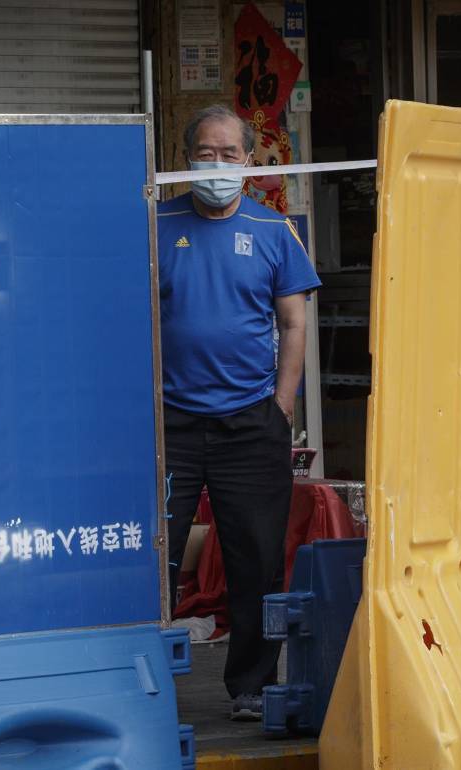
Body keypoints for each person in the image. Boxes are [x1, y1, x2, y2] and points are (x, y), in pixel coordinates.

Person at [157, 104, 321, 721]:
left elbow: (295, 321)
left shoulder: (275, 230)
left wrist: (281, 405)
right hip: (169, 424)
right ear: (186, 158)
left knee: (255, 556)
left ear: (249, 163)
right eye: (206, 152)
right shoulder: (155, 221)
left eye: (230, 154)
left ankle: (250, 685)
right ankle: (145, 679)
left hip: (250, 424)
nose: (217, 164)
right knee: (156, 554)